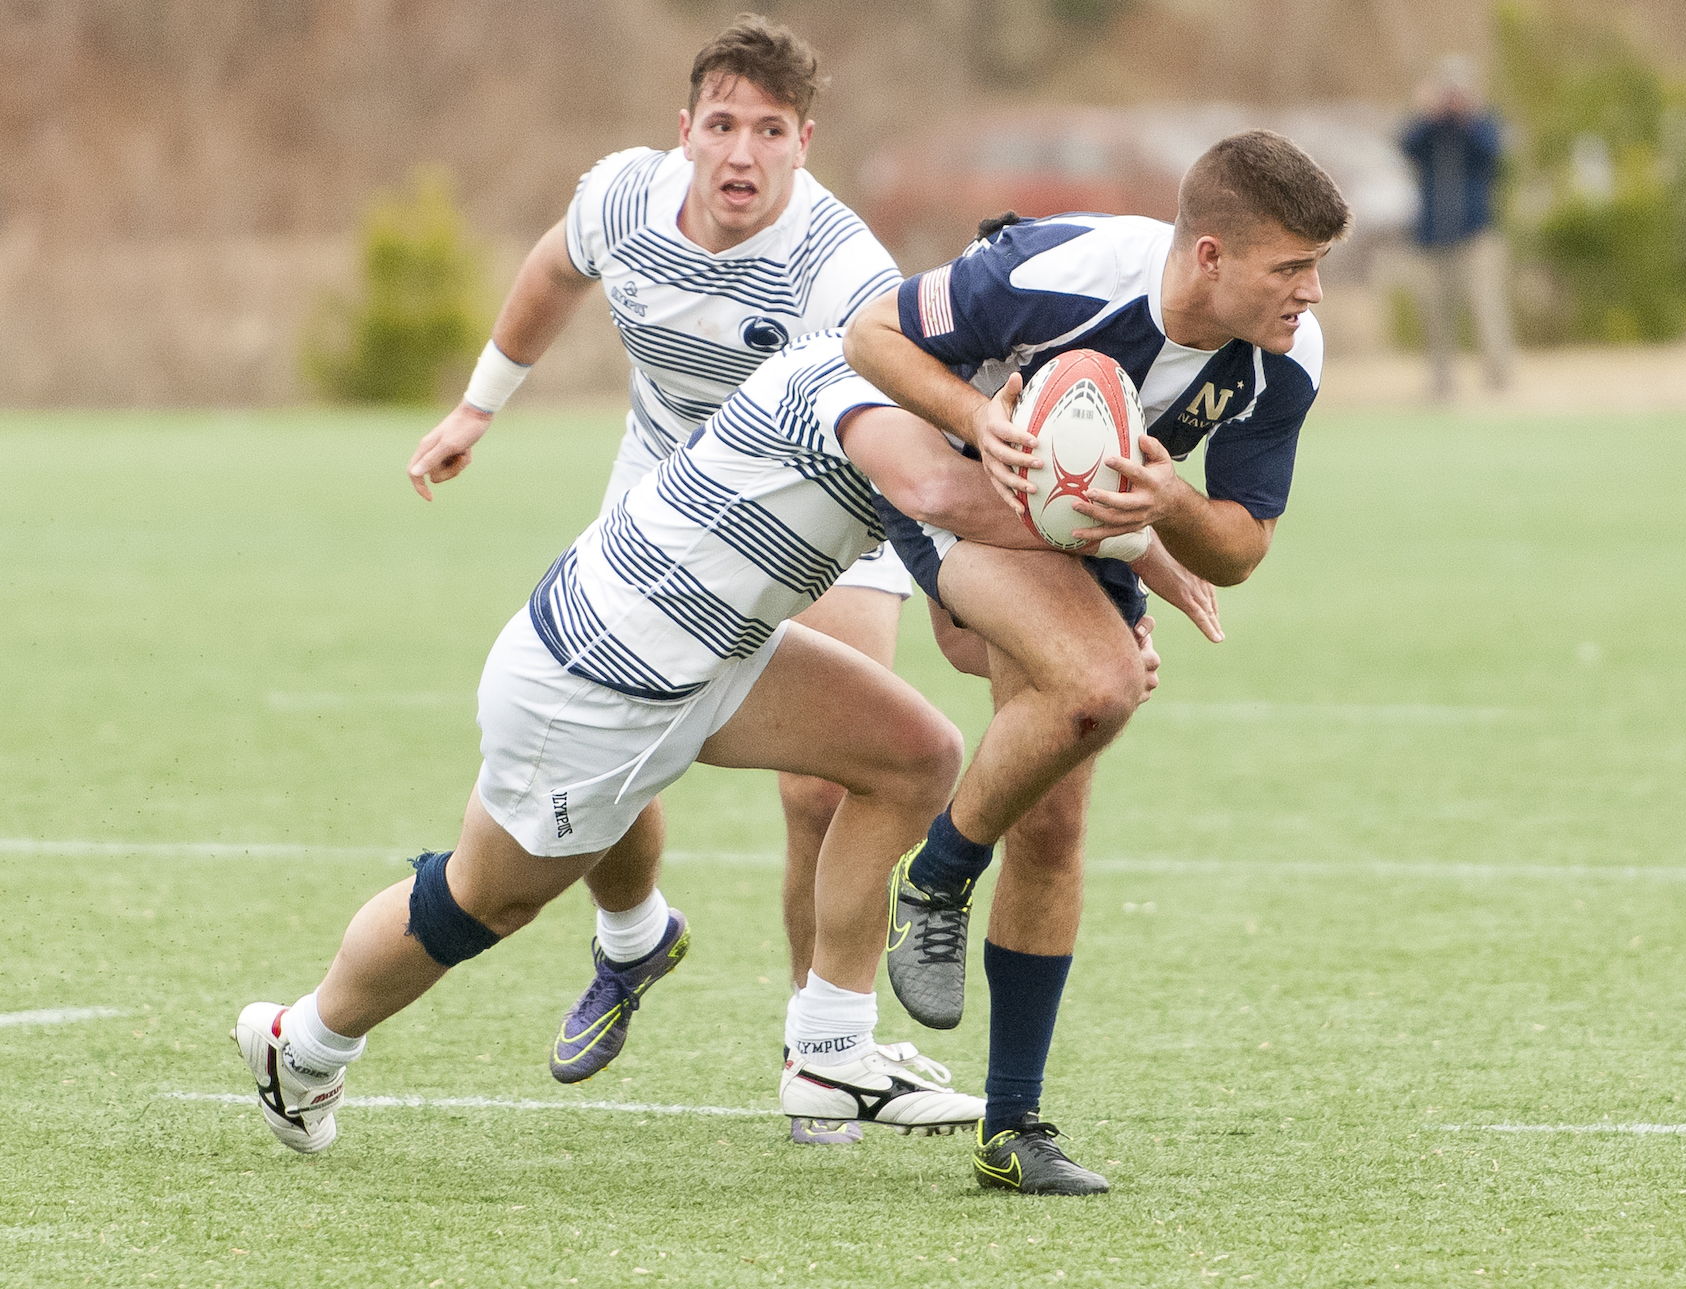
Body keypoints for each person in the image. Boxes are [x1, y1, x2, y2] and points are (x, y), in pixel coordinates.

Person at [235, 329, 1101, 1156]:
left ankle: (830, 1050)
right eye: (1001, 365)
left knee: (914, 754)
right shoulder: (849, 384)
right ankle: (302, 1045)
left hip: (712, 653)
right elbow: (952, 501)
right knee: (481, 900)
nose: (1005, 394)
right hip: (593, 677)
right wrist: (1125, 536)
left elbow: (958, 632)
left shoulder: (927, 425)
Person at [402, 16, 912, 1145]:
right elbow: (549, 269)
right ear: (683, 132)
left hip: (823, 499)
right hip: (665, 496)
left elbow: (893, 435)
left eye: (768, 130)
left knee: (831, 782)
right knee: (607, 742)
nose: (740, 152)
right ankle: (632, 935)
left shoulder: (843, 270)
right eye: (721, 124)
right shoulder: (627, 197)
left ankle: (818, 1049)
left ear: (802, 144)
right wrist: (479, 403)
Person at [844, 130, 1348, 1194]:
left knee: (1057, 816)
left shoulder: (1285, 358)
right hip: (949, 485)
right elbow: (870, 334)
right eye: (1289, 267)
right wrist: (978, 417)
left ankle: (1009, 1127)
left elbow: (1243, 544)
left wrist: (1171, 502)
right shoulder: (1060, 271)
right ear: (1209, 256)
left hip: (1090, 525)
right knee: (1105, 679)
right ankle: (932, 879)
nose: (1310, 291)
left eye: (1316, 267)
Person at [1399, 54, 1514, 399]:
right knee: (1436, 313)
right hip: (1433, 234)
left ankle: (1499, 377)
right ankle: (1441, 381)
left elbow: (1494, 152)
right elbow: (1406, 145)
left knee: (1487, 308)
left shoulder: (1483, 123)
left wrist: (1469, 116)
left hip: (1475, 233)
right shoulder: (1429, 128)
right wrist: (1427, 113)